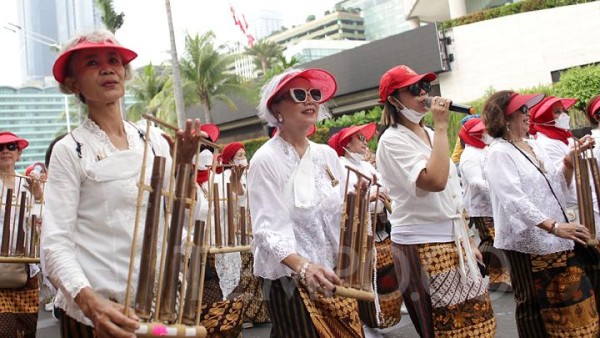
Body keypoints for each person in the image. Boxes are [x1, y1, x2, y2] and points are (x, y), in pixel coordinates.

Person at [42, 29, 208, 338]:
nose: (107, 68)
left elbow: (183, 216)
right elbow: (55, 245)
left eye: (114, 61)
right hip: (98, 318)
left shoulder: (154, 139)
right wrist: (91, 303)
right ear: (73, 83)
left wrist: (184, 166)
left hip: (158, 309)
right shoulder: (71, 149)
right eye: (92, 63)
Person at [376, 65, 496, 337]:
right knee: (445, 326)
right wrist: (442, 126)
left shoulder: (430, 134)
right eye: (413, 89)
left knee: (477, 321)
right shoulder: (392, 140)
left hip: (452, 238)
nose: (422, 94)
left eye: (425, 87)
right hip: (422, 244)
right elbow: (435, 181)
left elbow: (450, 193)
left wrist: (466, 239)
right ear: (394, 100)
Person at [248, 68, 364, 337]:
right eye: (299, 94)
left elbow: (340, 214)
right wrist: (304, 267)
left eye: (314, 94)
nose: (310, 100)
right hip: (290, 281)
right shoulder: (266, 160)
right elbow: (266, 230)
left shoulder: (326, 155)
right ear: (277, 108)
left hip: (334, 276)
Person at [482, 90, 599, 337]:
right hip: (528, 242)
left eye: (527, 109)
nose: (528, 115)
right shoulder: (498, 152)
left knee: (570, 301)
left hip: (556, 237)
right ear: (504, 118)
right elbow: (513, 200)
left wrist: (569, 160)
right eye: (522, 110)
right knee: (533, 305)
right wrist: (554, 226)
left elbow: (557, 184)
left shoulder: (533, 144)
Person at [328, 123, 402, 337]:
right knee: (362, 276)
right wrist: (367, 197)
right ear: (346, 144)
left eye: (363, 138)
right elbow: (343, 200)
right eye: (358, 138)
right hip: (359, 230)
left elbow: (383, 186)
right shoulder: (341, 166)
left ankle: (380, 317)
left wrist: (383, 193)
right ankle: (364, 323)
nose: (364, 142)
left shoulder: (367, 166)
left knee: (385, 274)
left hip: (380, 227)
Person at [219, 142, 271, 327]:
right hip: (235, 230)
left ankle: (259, 313)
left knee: (254, 274)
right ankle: (245, 315)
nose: (242, 158)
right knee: (243, 276)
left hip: (250, 228)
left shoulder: (248, 175)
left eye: (243, 154)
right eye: (238, 155)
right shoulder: (224, 177)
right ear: (230, 159)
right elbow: (234, 201)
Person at [458, 117, 512, 292]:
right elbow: (475, 182)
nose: (487, 133)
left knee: (498, 239)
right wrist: (497, 191)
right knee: (493, 239)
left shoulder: (485, 150)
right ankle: (495, 274)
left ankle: (499, 276)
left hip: (493, 203)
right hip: (481, 206)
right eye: (483, 131)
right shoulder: (469, 155)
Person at [0, 131, 44, 338]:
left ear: (19, 153)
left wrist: (38, 196)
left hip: (25, 265)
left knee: (26, 326)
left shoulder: (27, 183)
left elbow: (40, 220)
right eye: (0, 148)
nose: (5, 152)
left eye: (11, 147)